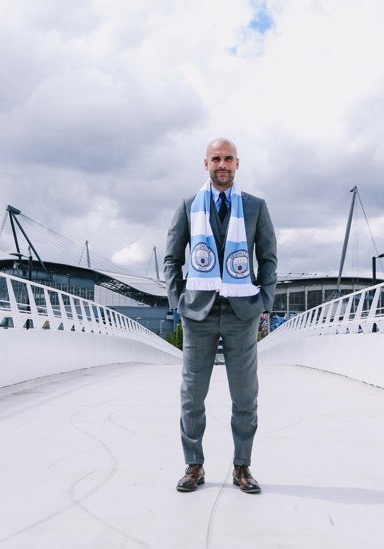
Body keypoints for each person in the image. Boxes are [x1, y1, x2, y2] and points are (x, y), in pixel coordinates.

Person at [164, 137, 278, 494]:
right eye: (216, 159)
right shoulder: (187, 206)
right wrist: (178, 301)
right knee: (192, 395)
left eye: (228, 158)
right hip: (198, 313)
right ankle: (193, 464)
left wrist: (264, 302)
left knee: (245, 396)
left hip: (241, 312)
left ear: (238, 164)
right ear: (206, 164)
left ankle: (242, 466)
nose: (222, 164)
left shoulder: (256, 207)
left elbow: (269, 259)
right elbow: (172, 259)